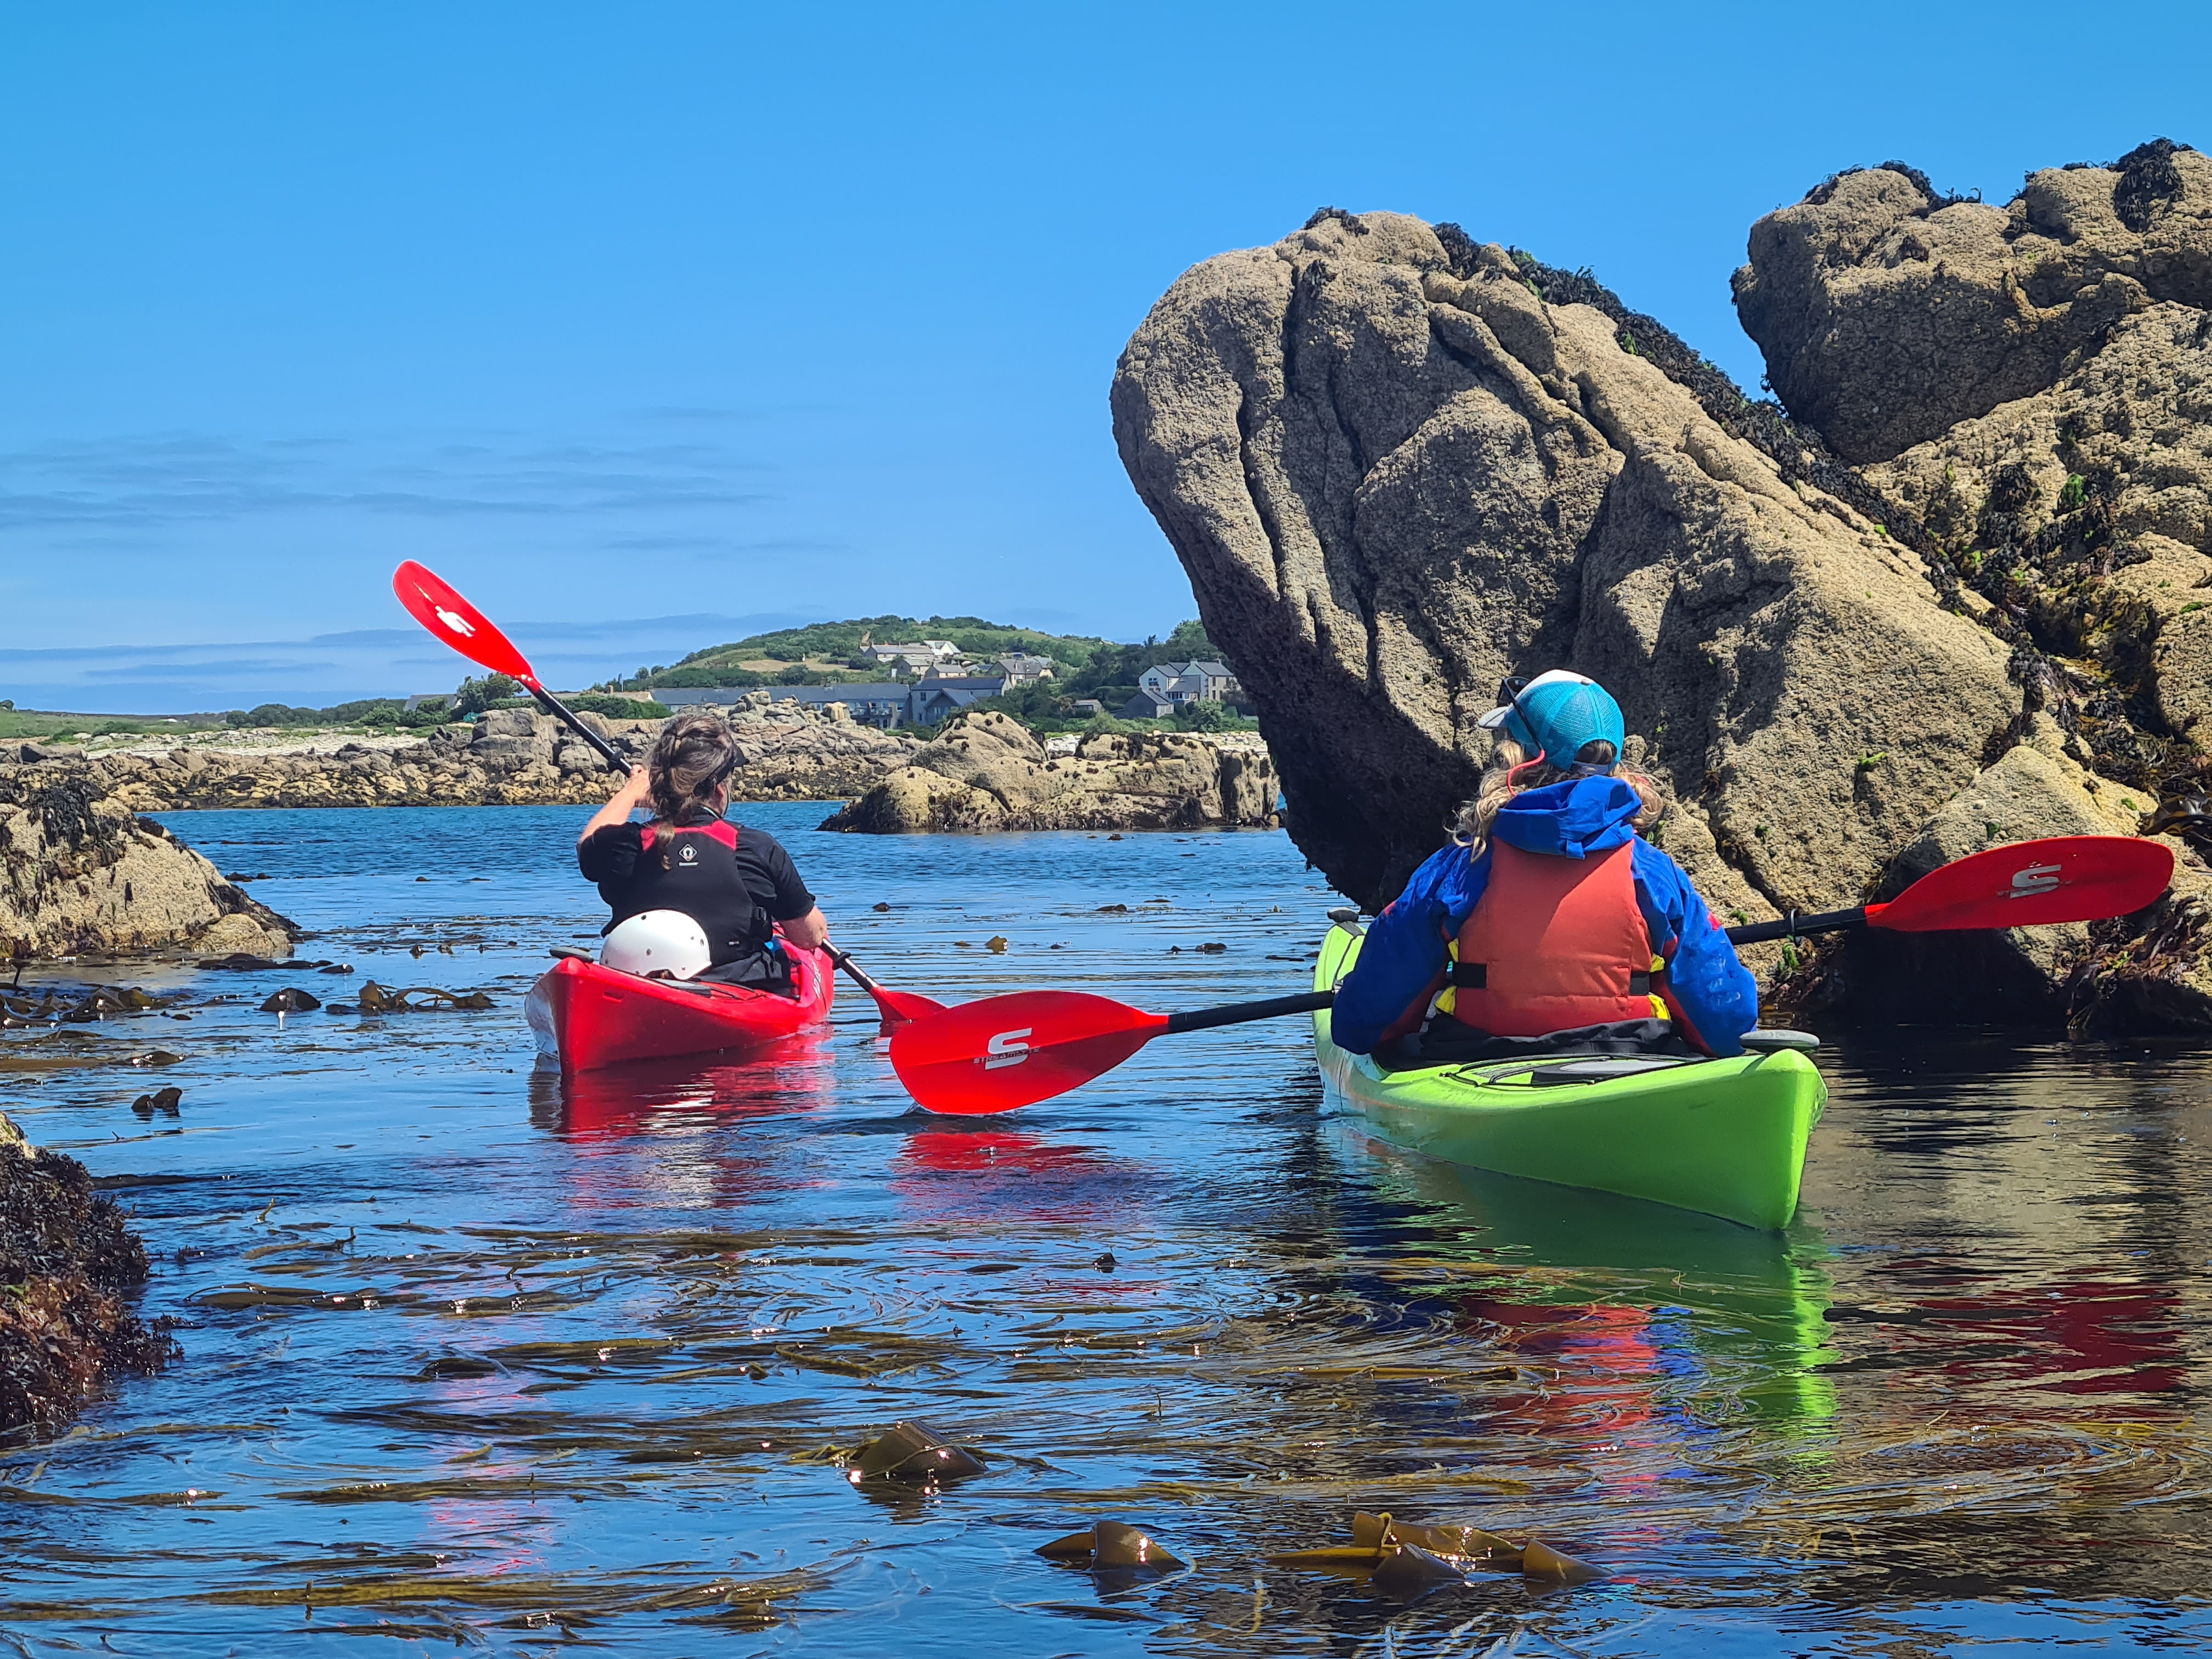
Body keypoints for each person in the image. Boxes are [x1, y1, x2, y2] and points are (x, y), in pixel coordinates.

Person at [1330, 670, 1757, 1063]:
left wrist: (1360, 1016)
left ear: (1516, 760)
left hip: (1476, 1056)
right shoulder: (1653, 873)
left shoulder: (1460, 869)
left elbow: (1363, 1024)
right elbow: (1727, 1024)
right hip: (1632, 1053)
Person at [575, 711, 828, 989]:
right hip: (736, 989)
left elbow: (588, 843)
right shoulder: (754, 847)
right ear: (720, 789)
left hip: (639, 986)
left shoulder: (625, 844)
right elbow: (810, 937)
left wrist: (631, 792)